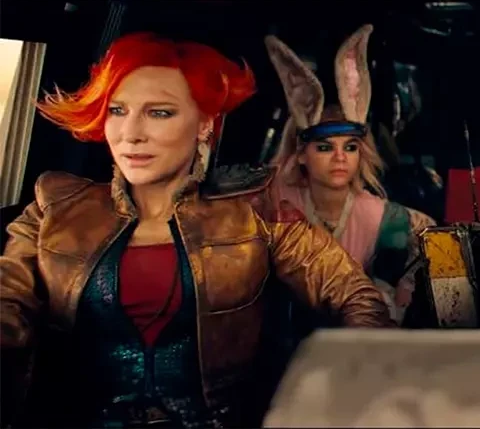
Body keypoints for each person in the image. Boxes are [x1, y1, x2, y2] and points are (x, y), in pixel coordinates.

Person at [0, 32, 394, 428]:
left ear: (205, 124)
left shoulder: (257, 212)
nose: (131, 133)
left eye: (159, 113)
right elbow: (8, 303)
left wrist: (356, 370)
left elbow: (353, 293)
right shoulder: (55, 207)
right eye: (117, 110)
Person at [265, 25, 435, 325]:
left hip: (358, 337)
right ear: (302, 154)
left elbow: (431, 242)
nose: (340, 157)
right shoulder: (275, 202)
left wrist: (400, 292)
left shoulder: (381, 216)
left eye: (350, 147)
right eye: (325, 147)